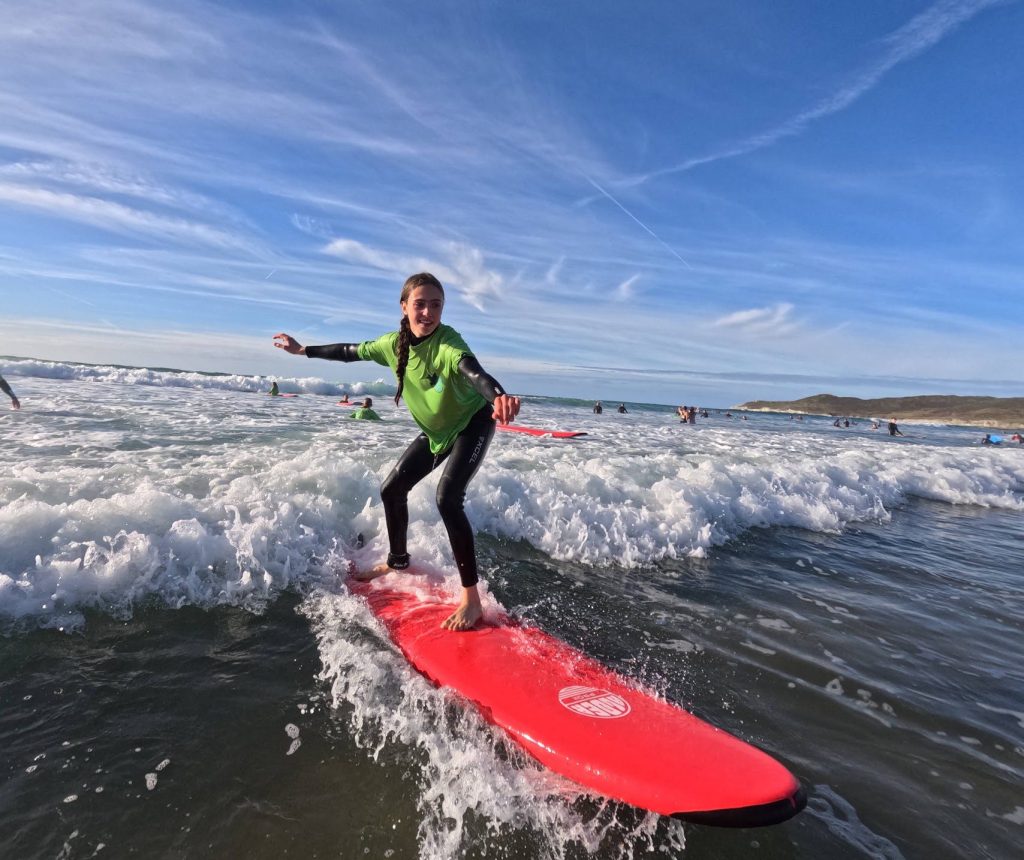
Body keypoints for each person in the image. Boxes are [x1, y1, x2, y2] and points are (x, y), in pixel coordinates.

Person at [273, 273, 520, 631]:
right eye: (420, 303)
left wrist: (498, 395)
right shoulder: (392, 345)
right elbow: (348, 352)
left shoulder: (449, 342)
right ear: (404, 307)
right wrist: (303, 350)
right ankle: (398, 560)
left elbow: (474, 372)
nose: (428, 312)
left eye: (436, 305)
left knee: (448, 498)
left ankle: (472, 599)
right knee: (392, 489)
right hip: (437, 432)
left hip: (473, 423)